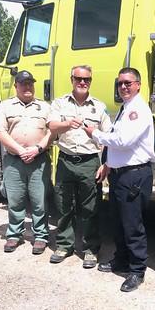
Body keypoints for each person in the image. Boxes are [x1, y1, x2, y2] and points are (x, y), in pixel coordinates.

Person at [84, 67, 155, 292]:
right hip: (120, 175)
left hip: (134, 176)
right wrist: (108, 164)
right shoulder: (126, 108)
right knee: (118, 221)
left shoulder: (138, 110)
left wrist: (95, 133)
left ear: (138, 85)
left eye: (128, 83)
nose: (123, 87)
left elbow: (123, 140)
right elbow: (119, 145)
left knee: (132, 225)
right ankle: (122, 259)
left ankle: (136, 270)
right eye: (120, 83)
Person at [47, 65, 112, 268]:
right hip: (66, 160)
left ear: (91, 81)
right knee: (64, 205)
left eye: (87, 79)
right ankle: (64, 245)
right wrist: (68, 124)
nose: (82, 82)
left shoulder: (99, 107)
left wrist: (106, 164)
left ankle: (91, 249)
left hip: (89, 162)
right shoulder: (59, 103)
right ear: (72, 79)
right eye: (78, 78)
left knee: (90, 208)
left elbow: (109, 137)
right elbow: (51, 126)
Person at [0, 70, 53, 255]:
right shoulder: (6, 105)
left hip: (39, 159)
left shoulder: (44, 106)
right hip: (14, 160)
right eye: (23, 83)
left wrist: (38, 149)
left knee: (39, 201)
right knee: (15, 199)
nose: (28, 87)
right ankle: (14, 234)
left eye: (30, 83)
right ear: (16, 86)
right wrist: (20, 150)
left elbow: (52, 131)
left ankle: (41, 236)